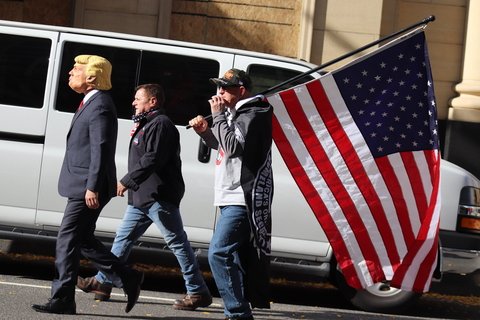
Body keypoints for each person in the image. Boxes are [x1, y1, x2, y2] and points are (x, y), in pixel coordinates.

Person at [76, 83, 212, 311]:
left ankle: (197, 291)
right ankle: (103, 281)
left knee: (178, 244)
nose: (133, 102)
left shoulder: (161, 124)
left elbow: (152, 158)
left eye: (138, 99)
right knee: (123, 239)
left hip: (159, 195)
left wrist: (127, 181)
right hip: (143, 196)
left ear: (153, 101)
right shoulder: (148, 122)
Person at [32, 55, 144, 315]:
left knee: (66, 239)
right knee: (81, 239)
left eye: (76, 69)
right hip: (85, 183)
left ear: (92, 76)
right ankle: (128, 277)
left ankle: (62, 299)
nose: (70, 72)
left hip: (88, 186)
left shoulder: (100, 105)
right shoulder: (91, 102)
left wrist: (92, 186)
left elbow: (101, 149)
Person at [188, 69, 274, 320]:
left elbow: (234, 147)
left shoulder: (253, 113)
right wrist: (205, 131)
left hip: (242, 198)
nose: (219, 92)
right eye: (218, 87)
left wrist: (216, 117)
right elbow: (224, 146)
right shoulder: (233, 114)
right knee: (232, 257)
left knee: (218, 252)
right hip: (228, 196)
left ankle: (237, 313)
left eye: (225, 88)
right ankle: (235, 311)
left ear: (242, 90)